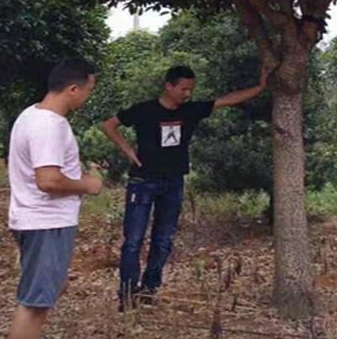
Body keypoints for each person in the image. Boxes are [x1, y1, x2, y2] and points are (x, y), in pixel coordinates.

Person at [101, 63, 269, 309]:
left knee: (163, 240)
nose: (187, 94)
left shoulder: (191, 111)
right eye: (183, 89)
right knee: (133, 241)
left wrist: (261, 86)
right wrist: (129, 152)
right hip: (143, 181)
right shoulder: (144, 110)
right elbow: (109, 125)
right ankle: (127, 295)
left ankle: (149, 289)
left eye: (191, 89)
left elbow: (227, 100)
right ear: (168, 86)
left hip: (173, 182)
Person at [7, 58, 103, 339]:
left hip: (38, 221)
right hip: (46, 223)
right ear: (73, 89)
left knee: (52, 287)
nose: (89, 96)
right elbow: (48, 180)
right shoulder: (49, 126)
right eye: (89, 90)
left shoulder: (31, 115)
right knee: (35, 305)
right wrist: (88, 185)